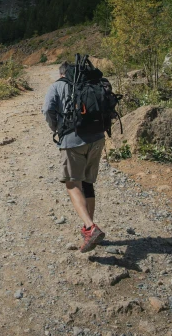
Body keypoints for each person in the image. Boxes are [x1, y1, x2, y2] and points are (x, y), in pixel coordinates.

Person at [42, 61, 106, 252]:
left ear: (62, 73)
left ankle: (90, 226)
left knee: (72, 182)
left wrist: (58, 129)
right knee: (87, 182)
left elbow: (47, 110)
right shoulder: (89, 84)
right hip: (97, 138)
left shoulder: (57, 86)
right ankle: (90, 229)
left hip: (73, 140)